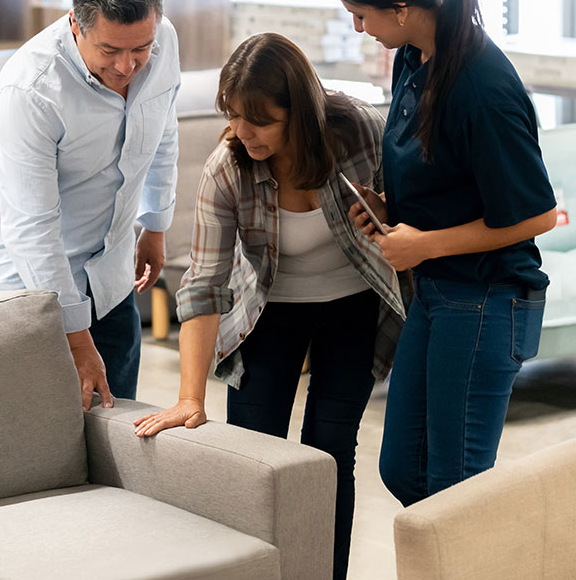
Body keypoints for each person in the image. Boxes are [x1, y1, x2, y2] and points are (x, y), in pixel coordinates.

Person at [132, 33, 406, 580]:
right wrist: (189, 397)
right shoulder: (227, 167)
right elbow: (205, 282)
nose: (243, 132)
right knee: (254, 457)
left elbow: (407, 215)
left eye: (260, 120)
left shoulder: (358, 129)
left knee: (328, 453)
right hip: (268, 311)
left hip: (354, 306)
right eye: (233, 116)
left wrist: (386, 214)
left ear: (298, 112)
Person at [333, 0, 558, 507]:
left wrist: (425, 244)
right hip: (435, 293)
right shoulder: (414, 54)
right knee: (404, 469)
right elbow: (441, 172)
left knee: (455, 491)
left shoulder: (482, 87)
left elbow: (536, 215)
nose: (360, 28)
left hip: (487, 299)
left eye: (363, 15)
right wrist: (390, 212)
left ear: (402, 8)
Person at [0, 0, 180, 411]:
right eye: (109, 50)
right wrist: (77, 338)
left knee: (117, 428)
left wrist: (156, 224)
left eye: (139, 49)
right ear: (75, 24)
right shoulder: (29, 90)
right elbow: (33, 228)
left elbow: (163, 131)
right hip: (28, 287)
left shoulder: (161, 40)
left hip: (110, 275)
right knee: (35, 437)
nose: (127, 66)